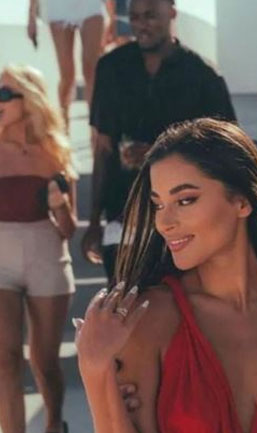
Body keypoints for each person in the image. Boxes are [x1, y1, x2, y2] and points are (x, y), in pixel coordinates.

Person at [74, 119, 257, 433]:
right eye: (158, 205)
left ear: (241, 202)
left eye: (185, 200)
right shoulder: (149, 317)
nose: (165, 222)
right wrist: (94, 367)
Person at [81, 0, 236, 284]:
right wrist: (93, 220)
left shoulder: (202, 75)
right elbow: (103, 147)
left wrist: (160, 153)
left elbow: (227, 149)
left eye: (150, 16)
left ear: (172, 12)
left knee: (178, 304)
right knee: (125, 303)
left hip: (184, 220)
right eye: (135, 17)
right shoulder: (111, 68)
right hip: (123, 214)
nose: (141, 25)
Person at [0, 64, 77, 433]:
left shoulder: (55, 151)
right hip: (1, 258)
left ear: (28, 99)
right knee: (4, 358)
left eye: (4, 94)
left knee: (44, 361)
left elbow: (68, 229)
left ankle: (54, 424)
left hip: (47, 254)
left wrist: (60, 205)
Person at [27, 0, 105, 131]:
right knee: (67, 75)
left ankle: (96, 131)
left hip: (90, 5)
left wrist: (112, 15)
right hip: (59, 7)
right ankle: (64, 126)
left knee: (91, 72)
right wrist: (31, 17)